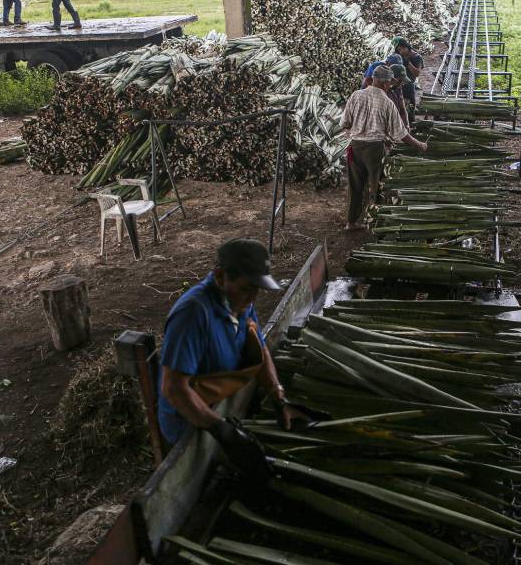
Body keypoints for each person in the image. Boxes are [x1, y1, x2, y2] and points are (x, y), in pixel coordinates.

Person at [158, 239, 317, 481]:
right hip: (189, 422)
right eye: (246, 288)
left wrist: (279, 398)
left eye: (257, 290)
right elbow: (174, 389)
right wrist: (222, 431)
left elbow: (259, 350)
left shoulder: (240, 302)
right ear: (221, 276)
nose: (252, 298)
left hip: (223, 403)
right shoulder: (192, 314)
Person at [341, 64, 427, 231]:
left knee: (355, 186)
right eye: (389, 83)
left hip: (355, 147)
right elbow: (401, 134)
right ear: (385, 83)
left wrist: (360, 130)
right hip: (374, 150)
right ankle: (373, 221)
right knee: (376, 185)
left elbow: (345, 123)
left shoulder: (356, 95)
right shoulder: (387, 103)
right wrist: (420, 145)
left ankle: (351, 222)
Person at [392, 37, 423, 120]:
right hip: (397, 84)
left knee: (410, 106)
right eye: (398, 50)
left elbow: (417, 73)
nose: (400, 51)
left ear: (406, 46)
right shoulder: (399, 56)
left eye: (402, 49)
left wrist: (408, 63)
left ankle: (411, 122)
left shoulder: (417, 57)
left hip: (409, 85)